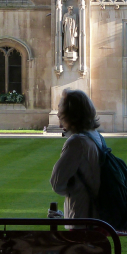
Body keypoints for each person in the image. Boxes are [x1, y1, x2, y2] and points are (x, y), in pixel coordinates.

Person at [50, 89, 101, 219]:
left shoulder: (77, 142)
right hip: (97, 216)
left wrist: (75, 189)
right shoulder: (96, 136)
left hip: (83, 219)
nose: (58, 116)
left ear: (71, 115)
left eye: (61, 112)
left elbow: (57, 184)